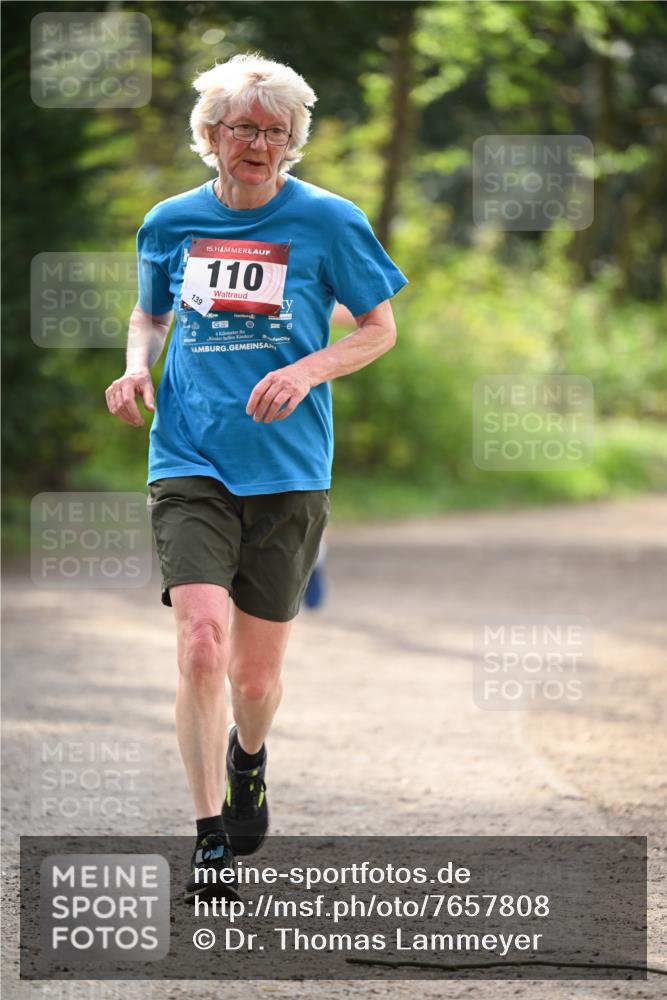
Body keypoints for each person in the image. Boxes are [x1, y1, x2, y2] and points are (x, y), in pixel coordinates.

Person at [105, 53, 407, 902]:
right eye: (244, 128)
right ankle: (206, 839)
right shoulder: (169, 220)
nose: (260, 144)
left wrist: (309, 371)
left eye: (276, 131)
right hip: (190, 456)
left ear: (292, 142)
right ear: (210, 135)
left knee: (254, 679)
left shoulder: (328, 221)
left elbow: (378, 329)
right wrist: (136, 367)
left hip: (287, 467)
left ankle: (249, 758)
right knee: (201, 643)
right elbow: (150, 312)